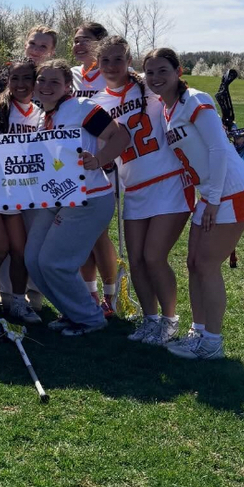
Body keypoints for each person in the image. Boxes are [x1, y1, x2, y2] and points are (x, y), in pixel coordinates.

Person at [144, 47, 244, 360]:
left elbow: (217, 149)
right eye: (150, 72)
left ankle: (212, 343)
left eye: (163, 70)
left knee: (207, 265)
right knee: (193, 264)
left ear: (179, 72)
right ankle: (198, 332)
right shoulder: (168, 108)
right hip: (211, 194)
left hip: (231, 193)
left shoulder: (195, 100)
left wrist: (212, 200)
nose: (156, 77)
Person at [94, 37, 191, 345]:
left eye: (118, 59)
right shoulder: (98, 103)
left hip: (168, 180)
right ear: (97, 64)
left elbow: (185, 101)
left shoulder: (150, 87)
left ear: (129, 60)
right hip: (134, 186)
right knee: (136, 259)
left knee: (153, 256)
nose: (112, 66)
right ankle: (150, 319)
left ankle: (169, 320)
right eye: (105, 60)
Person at [23, 59, 130, 337]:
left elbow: (120, 136)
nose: (46, 86)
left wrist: (100, 159)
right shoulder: (41, 115)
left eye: (54, 82)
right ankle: (73, 313)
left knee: (54, 263)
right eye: (42, 80)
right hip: (57, 198)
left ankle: (90, 319)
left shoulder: (81, 107)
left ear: (68, 86)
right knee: (33, 260)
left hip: (88, 199)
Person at [0, 58, 44, 325]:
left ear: (35, 82)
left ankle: (33, 291)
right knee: (7, 244)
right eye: (15, 78)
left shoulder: (41, 113)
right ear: (7, 80)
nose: (21, 84)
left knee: (31, 242)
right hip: (1, 187)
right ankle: (6, 292)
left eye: (27, 78)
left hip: (32, 188)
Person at [72, 22, 119, 315]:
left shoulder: (112, 73)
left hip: (106, 161)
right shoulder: (71, 75)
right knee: (83, 235)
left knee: (99, 233)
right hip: (76, 165)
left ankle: (111, 295)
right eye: (75, 40)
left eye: (85, 40)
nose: (78, 45)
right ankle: (90, 293)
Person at [0, 25, 58, 97]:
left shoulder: (56, 79)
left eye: (43, 46)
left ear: (52, 52)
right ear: (25, 45)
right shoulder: (11, 73)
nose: (35, 49)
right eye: (32, 43)